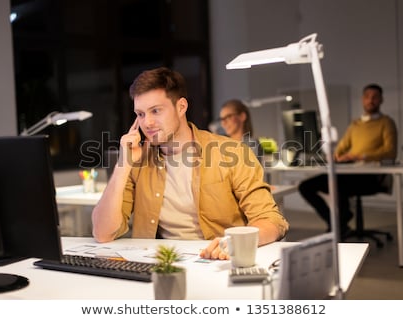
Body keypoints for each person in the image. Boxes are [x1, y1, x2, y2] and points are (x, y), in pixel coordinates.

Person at [92, 67, 289, 260]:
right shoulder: (137, 161)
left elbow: (272, 221)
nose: (148, 123)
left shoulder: (232, 152)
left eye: (156, 111)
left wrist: (235, 243)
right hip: (162, 264)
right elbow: (103, 233)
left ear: (181, 107)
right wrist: (123, 164)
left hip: (217, 261)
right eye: (141, 114)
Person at [298, 83, 397, 237]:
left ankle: (342, 221)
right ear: (362, 100)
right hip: (349, 172)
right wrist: (336, 155)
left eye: (375, 97)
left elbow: (390, 151)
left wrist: (361, 156)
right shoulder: (355, 124)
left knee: (337, 182)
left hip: (371, 177)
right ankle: (336, 223)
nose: (371, 100)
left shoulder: (386, 123)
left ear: (381, 100)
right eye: (367, 97)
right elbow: (341, 148)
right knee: (306, 187)